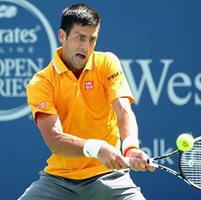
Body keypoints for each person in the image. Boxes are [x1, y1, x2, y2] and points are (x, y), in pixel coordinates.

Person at [19, 3, 154, 200]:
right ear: (62, 36)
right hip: (58, 181)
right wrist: (96, 148)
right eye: (80, 38)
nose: (86, 47)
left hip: (109, 177)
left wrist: (131, 146)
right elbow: (55, 140)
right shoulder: (41, 82)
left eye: (92, 39)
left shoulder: (107, 62)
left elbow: (123, 110)